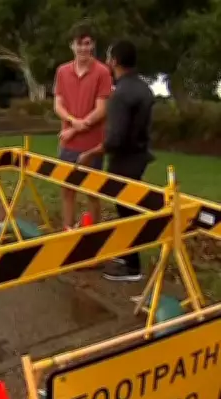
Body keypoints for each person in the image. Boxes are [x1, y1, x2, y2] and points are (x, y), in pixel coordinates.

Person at [77, 40, 155, 282]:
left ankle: (132, 267)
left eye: (109, 57)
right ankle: (128, 254)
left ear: (114, 61)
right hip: (140, 155)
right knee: (127, 207)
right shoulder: (144, 88)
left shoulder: (120, 94)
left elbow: (115, 139)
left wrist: (90, 153)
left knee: (126, 209)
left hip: (125, 159)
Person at [53, 22, 114, 230]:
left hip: (92, 145)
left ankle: (94, 237)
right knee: (67, 191)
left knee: (92, 193)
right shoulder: (62, 71)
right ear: (72, 46)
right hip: (67, 144)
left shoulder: (102, 72)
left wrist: (75, 128)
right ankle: (68, 232)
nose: (83, 48)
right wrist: (72, 122)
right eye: (79, 44)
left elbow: (101, 110)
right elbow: (58, 104)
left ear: (93, 45)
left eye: (87, 44)